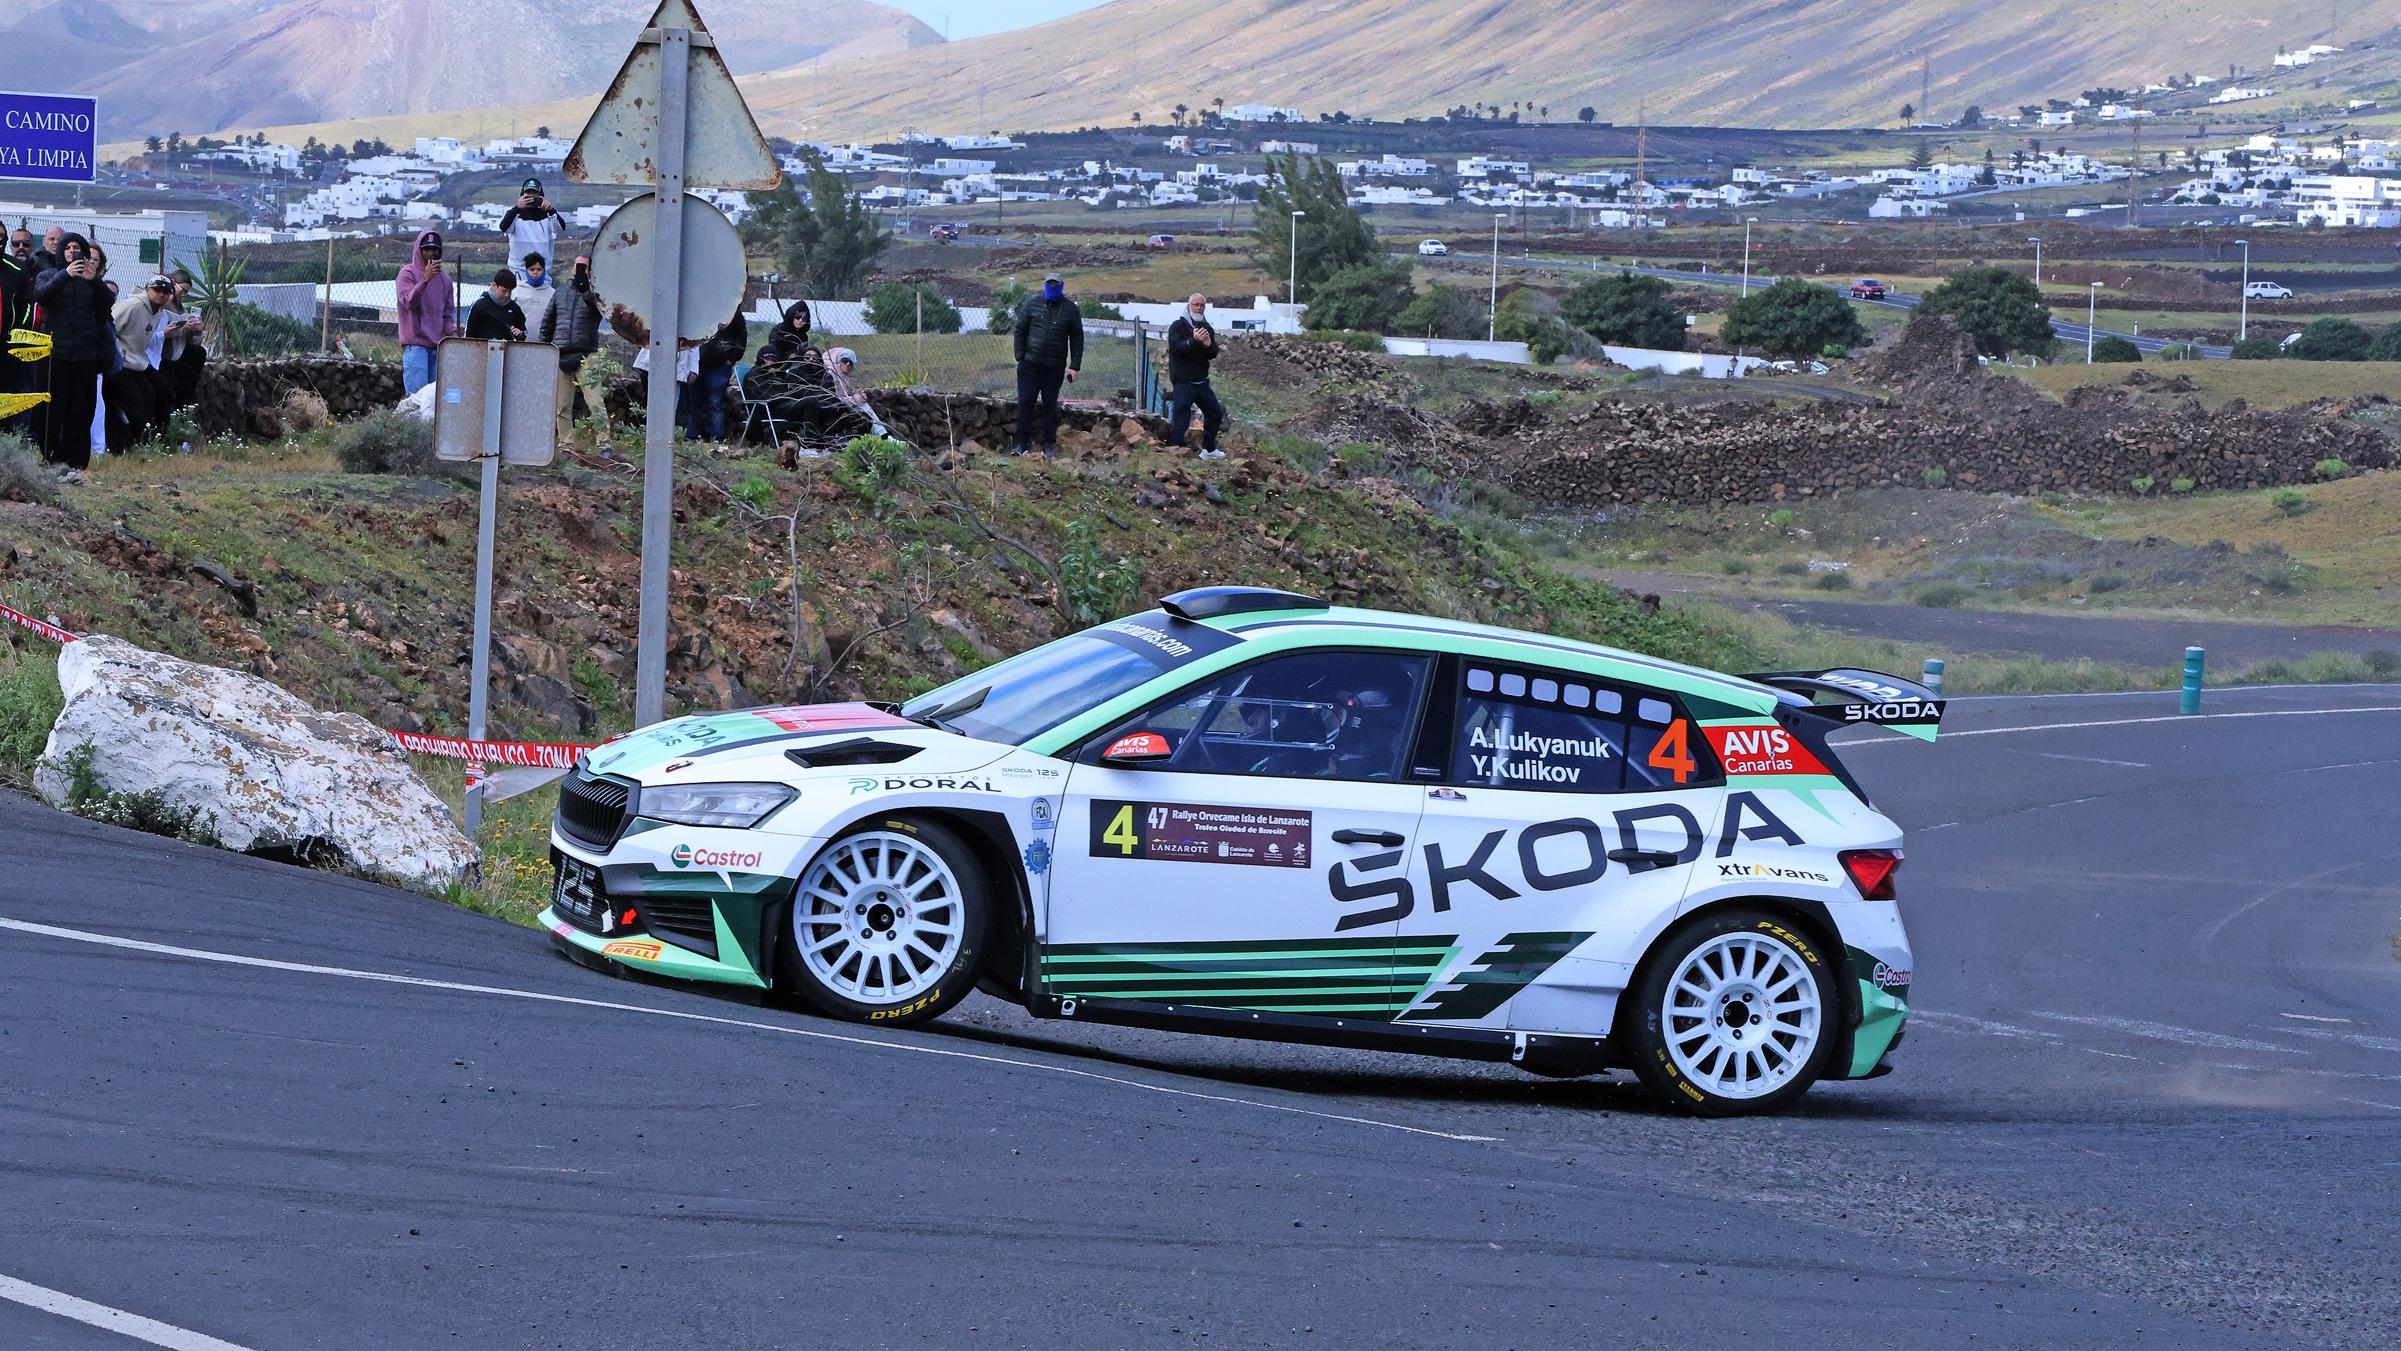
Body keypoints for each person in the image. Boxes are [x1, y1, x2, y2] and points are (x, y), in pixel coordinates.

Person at [31, 233, 112, 479]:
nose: (72, 252)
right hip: (56, 353)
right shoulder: (49, 274)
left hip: (86, 354)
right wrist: (65, 275)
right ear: (61, 253)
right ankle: (51, 458)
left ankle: (77, 462)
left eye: (77, 248)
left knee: (82, 409)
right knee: (52, 410)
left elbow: (108, 302)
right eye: (68, 248)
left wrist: (94, 280)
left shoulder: (92, 279)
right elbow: (40, 295)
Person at [1010, 271, 1082, 456]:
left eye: (1055, 284)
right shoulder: (1031, 304)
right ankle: (1020, 444)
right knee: (1026, 402)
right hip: (1030, 365)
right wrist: (1020, 356)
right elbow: (1020, 330)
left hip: (1054, 367)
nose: (1052, 287)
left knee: (1050, 405)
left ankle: (1049, 444)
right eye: (1049, 284)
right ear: (1044, 285)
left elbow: (1077, 338)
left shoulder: (1070, 309)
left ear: (1061, 286)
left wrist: (1074, 365)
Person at [540, 253, 605, 447]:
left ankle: (604, 443)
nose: (580, 271)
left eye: (584, 267)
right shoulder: (560, 292)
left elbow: (598, 312)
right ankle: (566, 443)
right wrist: (544, 349)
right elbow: (547, 322)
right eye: (578, 266)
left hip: (587, 353)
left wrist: (586, 289)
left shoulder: (596, 293)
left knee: (595, 402)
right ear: (571, 268)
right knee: (562, 405)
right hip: (561, 352)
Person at [105, 275, 174, 451]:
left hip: (138, 361)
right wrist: (115, 355)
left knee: (160, 392)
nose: (161, 294)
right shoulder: (132, 306)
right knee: (136, 402)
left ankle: (153, 439)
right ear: (147, 289)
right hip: (120, 362)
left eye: (166, 291)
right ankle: (125, 444)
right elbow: (109, 325)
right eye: (157, 289)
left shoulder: (158, 311)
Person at [1164, 292, 1225, 460]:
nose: (1198, 308)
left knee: (1215, 412)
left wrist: (1207, 345)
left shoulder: (1207, 328)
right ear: (1188, 306)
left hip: (1201, 381)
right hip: (1183, 380)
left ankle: (1209, 449)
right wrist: (1193, 340)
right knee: (1181, 414)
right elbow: (1176, 348)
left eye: (1202, 305)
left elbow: (1213, 353)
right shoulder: (1178, 326)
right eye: (1195, 305)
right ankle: (1177, 449)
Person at [395, 230, 455, 395]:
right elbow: (407, 302)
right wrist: (424, 280)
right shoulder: (407, 273)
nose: (430, 253)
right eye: (426, 249)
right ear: (418, 250)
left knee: (435, 401)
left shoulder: (445, 280)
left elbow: (447, 314)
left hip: (438, 347)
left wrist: (454, 333)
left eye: (434, 249)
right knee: (416, 400)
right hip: (416, 346)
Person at [0, 229, 35, 438]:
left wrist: (16, 333)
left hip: (6, 344)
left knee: (7, 395)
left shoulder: (15, 268)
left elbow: (28, 304)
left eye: (1, 235)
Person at [694, 311, 748, 441]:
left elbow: (741, 336)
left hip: (720, 365)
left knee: (715, 400)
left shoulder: (732, 311)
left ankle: (715, 436)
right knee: (693, 400)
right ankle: (692, 435)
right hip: (696, 362)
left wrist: (732, 358)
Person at [160, 270, 206, 414]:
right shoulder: (162, 303)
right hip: (163, 353)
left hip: (176, 349)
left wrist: (195, 330)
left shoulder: (180, 307)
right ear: (173, 284)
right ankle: (179, 411)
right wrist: (182, 326)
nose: (183, 294)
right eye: (183, 290)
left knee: (198, 352)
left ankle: (182, 410)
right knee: (189, 376)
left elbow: (186, 341)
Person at [498, 178, 564, 276]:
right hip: (518, 270)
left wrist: (551, 211)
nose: (531, 196)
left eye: (535, 193)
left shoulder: (548, 215)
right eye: (528, 193)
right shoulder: (515, 214)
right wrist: (517, 209)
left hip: (541, 270)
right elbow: (504, 227)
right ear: (522, 195)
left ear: (540, 195)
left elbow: (560, 228)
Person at [823, 346, 887, 437]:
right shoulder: (832, 374)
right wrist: (855, 399)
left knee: (864, 405)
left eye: (851, 363)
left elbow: (845, 392)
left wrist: (858, 394)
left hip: (842, 404)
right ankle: (883, 435)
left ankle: (883, 434)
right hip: (833, 408)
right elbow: (833, 398)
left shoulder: (843, 375)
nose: (847, 364)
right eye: (845, 361)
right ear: (839, 361)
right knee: (863, 406)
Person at [465, 269, 527, 341]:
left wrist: (521, 334)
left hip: (506, 349)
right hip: (482, 349)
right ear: (494, 285)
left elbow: (525, 332)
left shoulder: (514, 308)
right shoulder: (479, 305)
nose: (507, 295)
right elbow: (469, 334)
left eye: (510, 291)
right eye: (504, 291)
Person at [513, 251, 556, 345]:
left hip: (544, 344)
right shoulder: (516, 291)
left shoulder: (552, 293)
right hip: (518, 343)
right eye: (532, 269)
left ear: (544, 270)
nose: (535, 272)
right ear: (526, 271)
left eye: (539, 269)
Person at [756, 302, 813, 367]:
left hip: (797, 367)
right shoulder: (779, 331)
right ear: (792, 316)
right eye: (798, 316)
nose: (800, 320)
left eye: (804, 318)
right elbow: (774, 354)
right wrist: (792, 354)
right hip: (778, 366)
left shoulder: (803, 336)